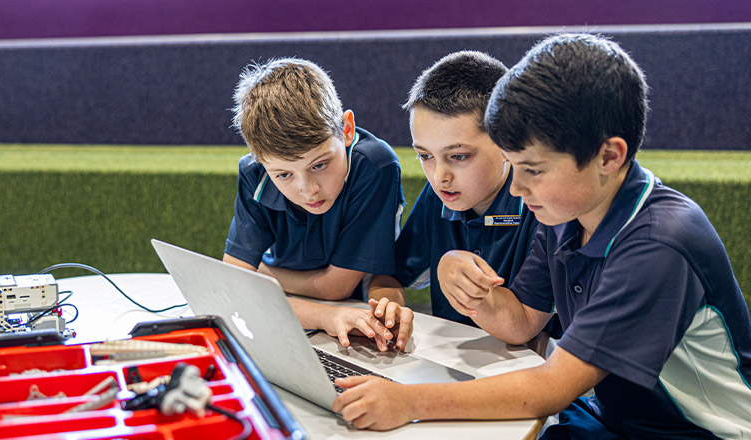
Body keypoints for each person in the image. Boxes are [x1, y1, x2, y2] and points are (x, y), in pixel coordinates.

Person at [333, 33, 751, 438]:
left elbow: (552, 386)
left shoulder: (659, 242)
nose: (516, 189)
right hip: (611, 418)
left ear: (609, 156)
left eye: (533, 170)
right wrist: (467, 288)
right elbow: (522, 322)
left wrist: (409, 402)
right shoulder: (564, 214)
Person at [224, 57, 412, 351]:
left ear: (347, 129)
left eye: (320, 164)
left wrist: (262, 276)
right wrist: (324, 316)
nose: (308, 190)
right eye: (283, 175)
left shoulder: (375, 166)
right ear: (259, 160)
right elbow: (234, 284)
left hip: (350, 315)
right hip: (289, 317)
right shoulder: (253, 172)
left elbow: (336, 287)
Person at [367, 51, 538, 335]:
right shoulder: (439, 196)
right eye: (425, 156)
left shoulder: (542, 206)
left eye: (458, 156)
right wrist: (388, 309)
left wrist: (450, 271)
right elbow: (389, 277)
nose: (439, 177)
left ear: (508, 139)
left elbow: (525, 327)